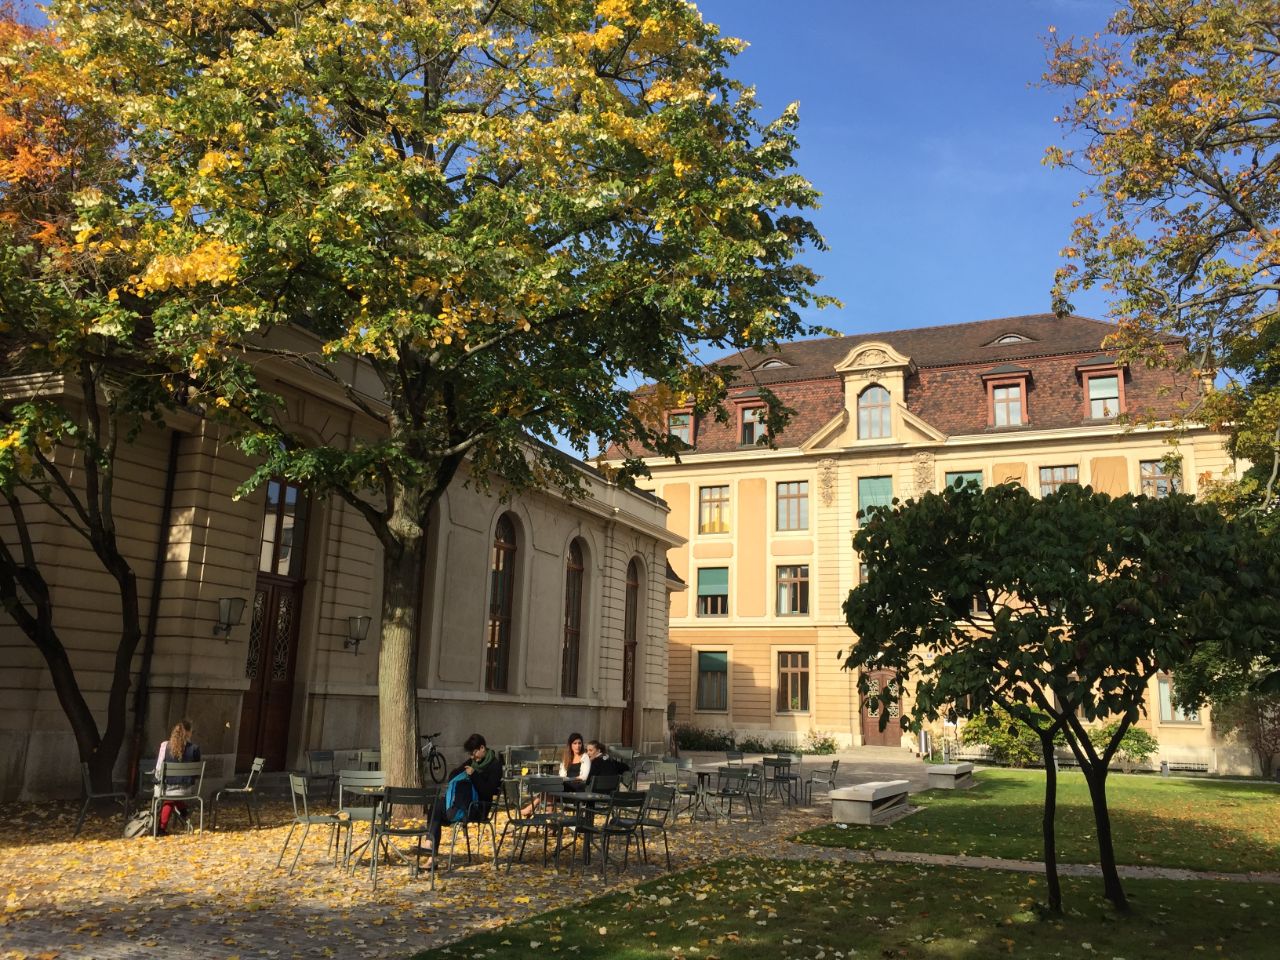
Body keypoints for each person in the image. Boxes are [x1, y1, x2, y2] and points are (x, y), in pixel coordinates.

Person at [425, 733, 503, 865]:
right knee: (436, 807)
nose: (473, 757)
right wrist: (461, 772)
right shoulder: (472, 762)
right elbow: (452, 776)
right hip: (462, 803)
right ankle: (430, 852)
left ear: (482, 748)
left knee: (439, 809)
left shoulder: (495, 766)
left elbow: (487, 791)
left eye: (474, 753)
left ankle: (430, 851)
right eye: (470, 755)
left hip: (478, 808)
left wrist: (474, 775)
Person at [154, 719, 201, 835]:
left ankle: (161, 828)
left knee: (169, 799)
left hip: (167, 788)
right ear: (188, 733)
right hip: (186, 788)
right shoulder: (194, 748)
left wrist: (156, 778)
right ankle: (185, 814)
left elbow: (159, 768)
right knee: (173, 797)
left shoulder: (165, 746)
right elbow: (196, 772)